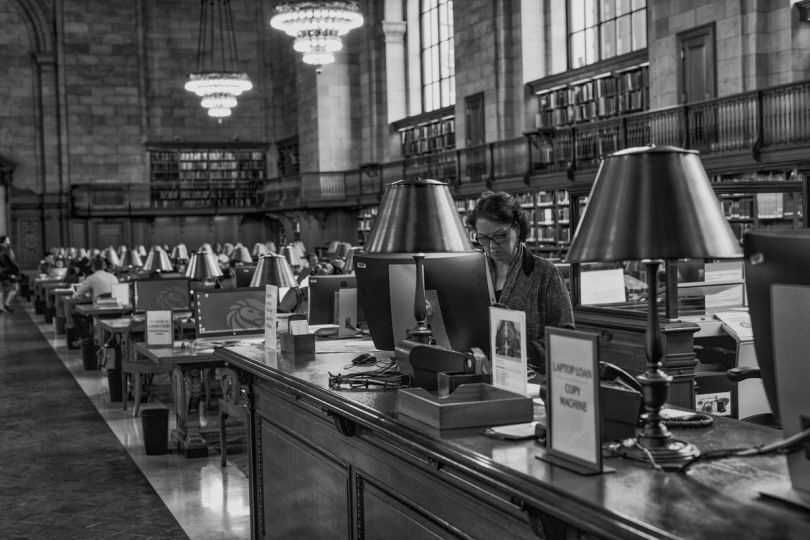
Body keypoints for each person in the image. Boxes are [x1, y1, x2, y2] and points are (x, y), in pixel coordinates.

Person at [465, 191, 574, 371]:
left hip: (530, 379)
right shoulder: (473, 272)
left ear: (517, 228)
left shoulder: (545, 273)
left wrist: (522, 350)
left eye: (500, 236)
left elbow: (567, 339)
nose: (491, 247)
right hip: (479, 372)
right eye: (483, 238)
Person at [0, 235, 21, 313]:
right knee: (15, 288)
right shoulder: (7, 250)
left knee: (1, 290)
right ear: (4, 241)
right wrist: (15, 271)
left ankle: (1, 306)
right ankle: (7, 305)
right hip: (8, 272)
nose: (9, 241)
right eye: (8, 239)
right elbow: (12, 261)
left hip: (1, 272)